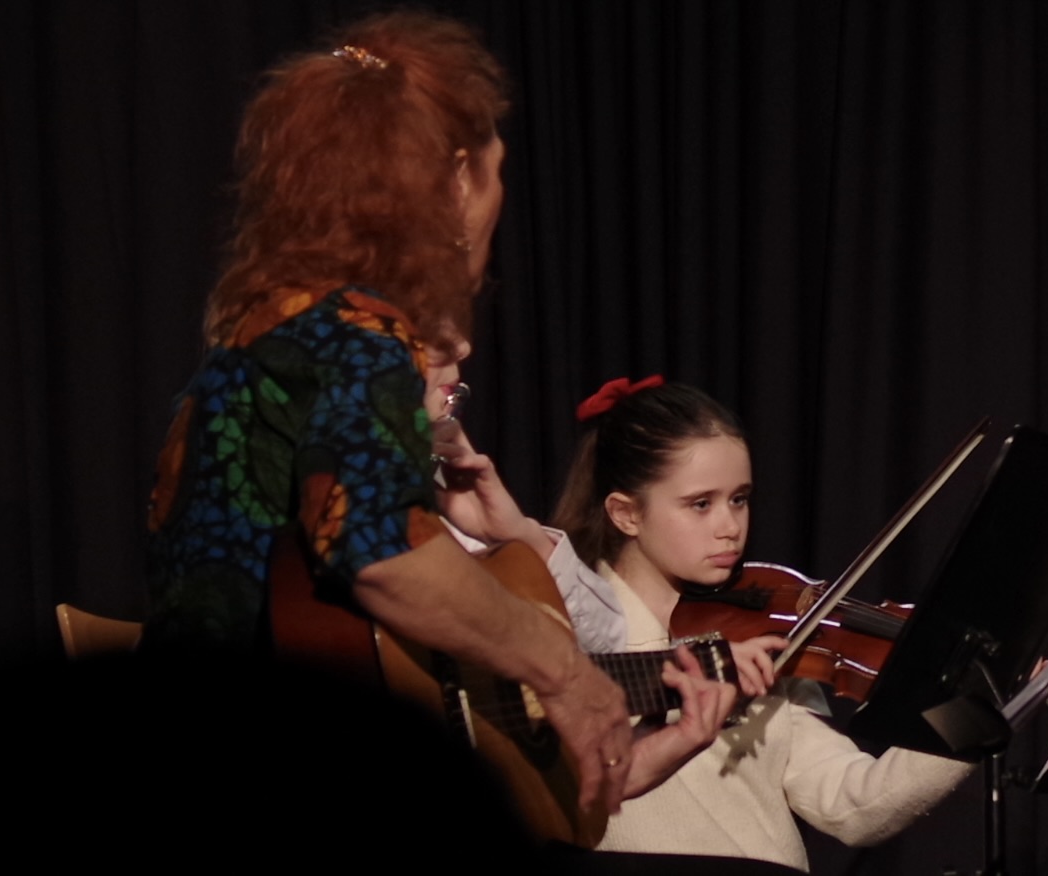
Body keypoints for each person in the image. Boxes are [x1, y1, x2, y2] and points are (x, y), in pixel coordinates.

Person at [140, 10, 730, 831]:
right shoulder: (360, 337)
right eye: (495, 172)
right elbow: (381, 553)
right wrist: (565, 672)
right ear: (455, 182)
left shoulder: (269, 330)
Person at [546, 377, 978, 873]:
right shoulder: (566, 640)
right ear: (626, 514)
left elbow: (853, 803)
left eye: (740, 499)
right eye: (701, 504)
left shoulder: (755, 637)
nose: (730, 527)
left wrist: (972, 716)